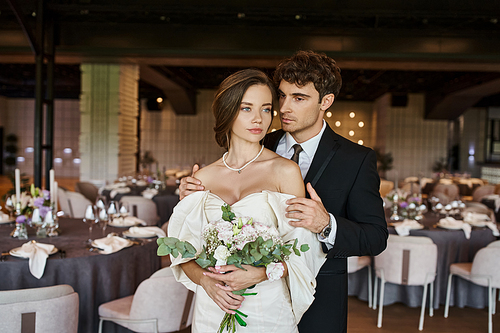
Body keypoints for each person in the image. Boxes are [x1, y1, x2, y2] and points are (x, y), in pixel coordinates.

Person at [180, 51, 388, 333]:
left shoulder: (357, 159)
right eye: (281, 97)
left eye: (299, 98)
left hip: (320, 296)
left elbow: (375, 237)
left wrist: (326, 224)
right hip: (229, 300)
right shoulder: (256, 137)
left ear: (325, 101)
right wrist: (190, 198)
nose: (284, 108)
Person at [168, 68, 326, 332]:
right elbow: (183, 254)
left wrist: (262, 273)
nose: (259, 119)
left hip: (267, 307)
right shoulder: (203, 178)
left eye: (266, 109)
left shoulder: (285, 171)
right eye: (246, 108)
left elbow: (304, 252)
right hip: (213, 307)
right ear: (227, 112)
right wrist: (207, 283)